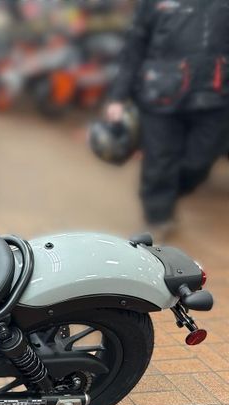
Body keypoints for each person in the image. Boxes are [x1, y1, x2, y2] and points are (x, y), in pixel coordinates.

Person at [105, 0, 229, 238]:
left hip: (215, 97)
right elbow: (134, 47)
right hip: (159, 95)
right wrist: (118, 97)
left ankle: (168, 192)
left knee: (199, 163)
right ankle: (158, 218)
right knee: (159, 161)